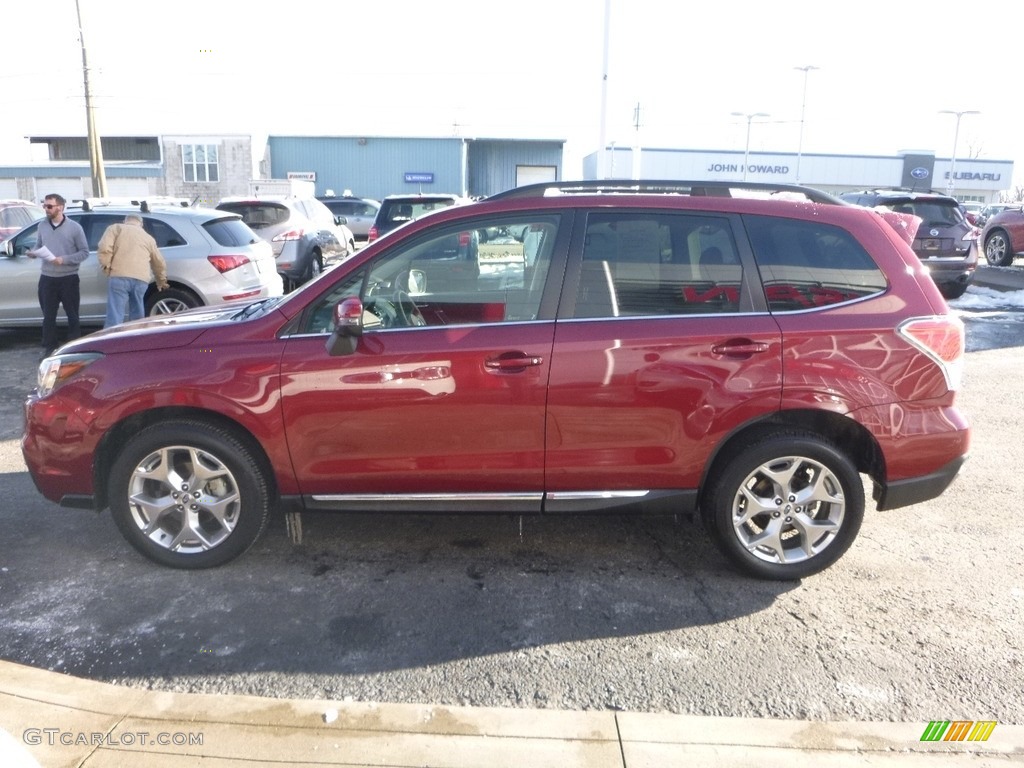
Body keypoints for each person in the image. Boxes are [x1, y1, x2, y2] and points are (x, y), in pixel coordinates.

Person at [28, 193, 89, 357]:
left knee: (73, 315)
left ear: (60, 207)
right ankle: (50, 349)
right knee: (48, 316)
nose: (46, 209)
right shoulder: (42, 226)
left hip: (68, 278)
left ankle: (75, 349)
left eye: (49, 206)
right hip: (47, 278)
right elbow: (39, 245)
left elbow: (84, 252)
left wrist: (64, 259)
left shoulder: (75, 228)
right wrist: (34, 252)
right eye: (44, 206)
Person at [97, 213, 169, 327]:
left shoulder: (116, 228)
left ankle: (112, 340)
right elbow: (159, 262)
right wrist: (161, 281)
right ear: (141, 224)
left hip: (119, 275)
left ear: (125, 220)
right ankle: (136, 338)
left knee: (115, 313)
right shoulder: (148, 238)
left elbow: (105, 247)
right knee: (137, 313)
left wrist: (107, 266)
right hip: (141, 279)